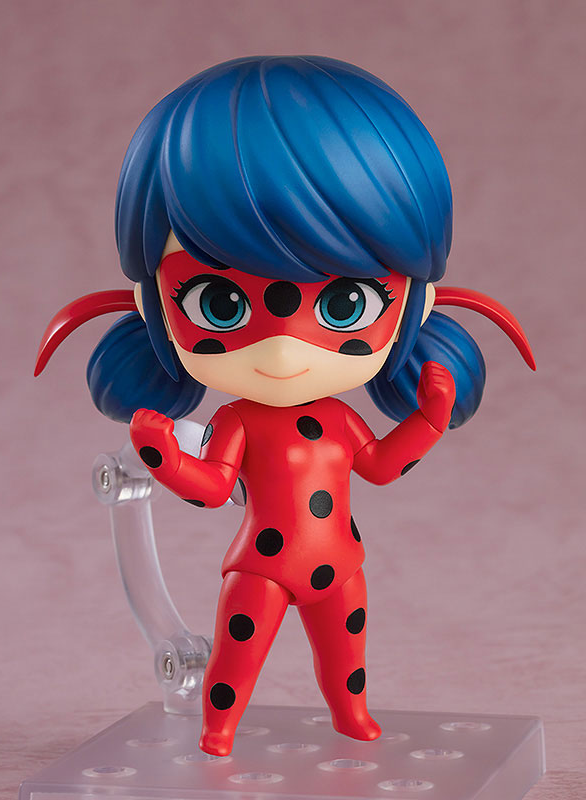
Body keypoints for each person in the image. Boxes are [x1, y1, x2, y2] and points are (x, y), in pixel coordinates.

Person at [35, 56, 534, 757]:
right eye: (220, 302)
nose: (281, 347)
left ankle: (351, 715)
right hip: (261, 567)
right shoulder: (237, 422)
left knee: (347, 657)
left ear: (414, 304)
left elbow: (380, 466)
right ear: (153, 305)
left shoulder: (338, 421)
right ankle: (218, 729)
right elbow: (214, 489)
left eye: (343, 304)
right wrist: (163, 458)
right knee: (236, 661)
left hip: (341, 562)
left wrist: (427, 420)